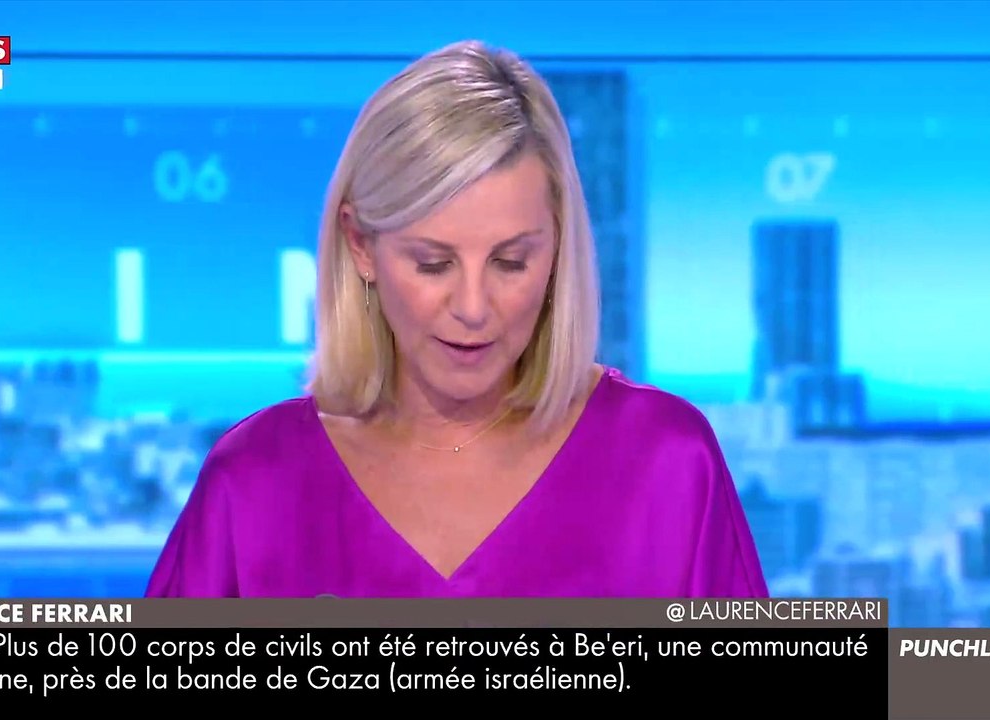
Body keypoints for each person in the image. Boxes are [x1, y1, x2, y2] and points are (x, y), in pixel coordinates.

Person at [145, 39, 769, 599]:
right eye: (433, 263)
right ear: (361, 246)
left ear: (558, 250)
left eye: (511, 261)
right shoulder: (254, 482)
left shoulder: (666, 463)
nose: (473, 307)